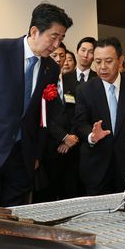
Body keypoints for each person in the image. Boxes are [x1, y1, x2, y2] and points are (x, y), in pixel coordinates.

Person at [0, 3, 73, 206]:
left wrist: (36, 154)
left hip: (23, 154)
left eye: (61, 39)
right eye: (53, 37)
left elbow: (42, 115)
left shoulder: (51, 69)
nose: (56, 45)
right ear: (34, 31)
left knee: (15, 211)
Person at [74, 37, 125, 195]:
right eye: (98, 61)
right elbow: (80, 123)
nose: (102, 67)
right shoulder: (85, 90)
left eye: (108, 61)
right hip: (97, 167)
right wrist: (91, 136)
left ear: (120, 60)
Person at [38, 42, 81, 201]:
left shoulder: (74, 83)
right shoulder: (41, 81)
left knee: (70, 191)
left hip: (72, 147)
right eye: (54, 55)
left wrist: (72, 138)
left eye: (62, 56)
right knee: (48, 193)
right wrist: (63, 137)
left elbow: (79, 114)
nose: (58, 59)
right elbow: (42, 115)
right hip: (49, 146)